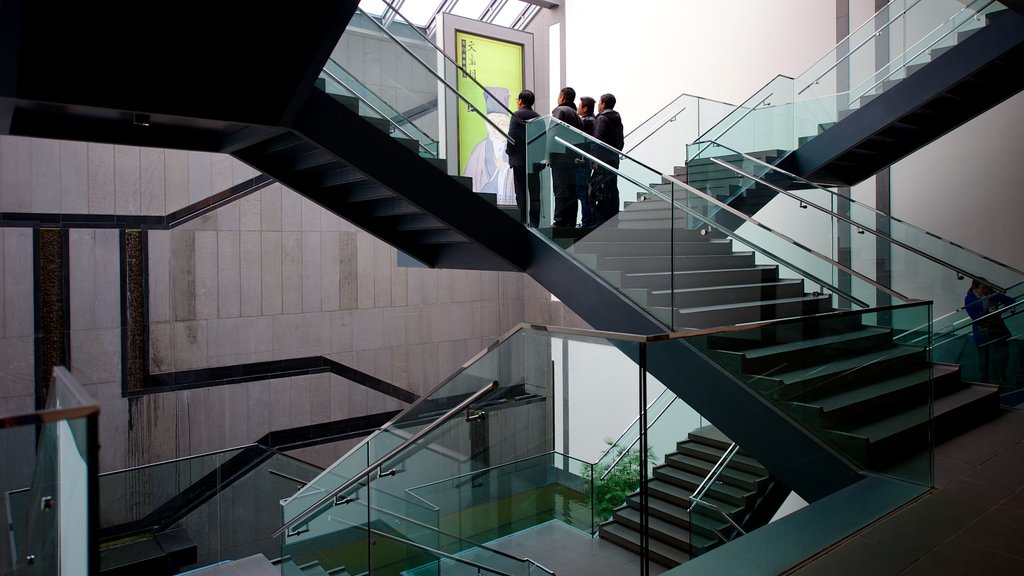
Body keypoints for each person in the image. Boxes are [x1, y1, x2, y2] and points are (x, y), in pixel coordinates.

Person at [463, 87, 515, 204]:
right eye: (492, 124)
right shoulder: (479, 150)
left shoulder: (514, 148)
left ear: (508, 125)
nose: (496, 130)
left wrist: (504, 170)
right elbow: (469, 180)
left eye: (501, 124)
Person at [964, 279, 1015, 385]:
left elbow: (1009, 300)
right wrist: (987, 312)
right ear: (975, 288)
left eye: (987, 287)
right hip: (982, 330)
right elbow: (974, 316)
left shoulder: (991, 293)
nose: (986, 290)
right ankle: (984, 379)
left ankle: (1002, 375)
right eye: (983, 288)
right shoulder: (970, 299)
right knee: (983, 356)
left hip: (997, 327)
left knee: (1003, 352)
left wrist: (1002, 309)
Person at [550, 87, 584, 228]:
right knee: (571, 191)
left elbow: (553, 133)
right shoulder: (576, 115)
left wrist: (548, 154)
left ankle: (560, 221)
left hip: (560, 157)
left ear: (562, 97)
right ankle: (570, 221)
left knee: (560, 190)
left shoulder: (560, 111)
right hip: (573, 159)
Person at [590, 93, 624, 226]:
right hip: (613, 158)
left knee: (600, 188)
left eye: (599, 102)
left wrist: (595, 159)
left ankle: (601, 222)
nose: (598, 105)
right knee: (612, 188)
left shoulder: (602, 118)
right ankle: (613, 220)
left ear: (603, 104)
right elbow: (621, 141)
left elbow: (597, 140)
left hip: (602, 159)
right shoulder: (617, 118)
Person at [508, 89, 541, 226]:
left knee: (520, 193)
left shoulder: (517, 115)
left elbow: (512, 137)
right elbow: (542, 140)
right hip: (534, 161)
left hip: (519, 161)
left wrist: (509, 152)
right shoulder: (539, 117)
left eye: (517, 99)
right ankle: (534, 223)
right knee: (534, 193)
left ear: (521, 101)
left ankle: (522, 222)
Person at [576, 96, 597, 228]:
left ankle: (587, 222)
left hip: (583, 162)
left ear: (585, 108)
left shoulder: (586, 122)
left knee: (583, 193)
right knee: (585, 193)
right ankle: (589, 220)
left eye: (579, 106)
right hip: (587, 162)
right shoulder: (593, 120)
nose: (577, 108)